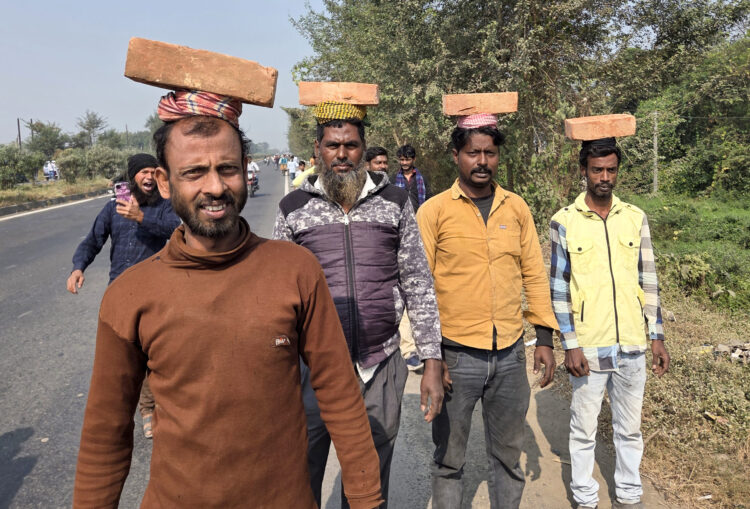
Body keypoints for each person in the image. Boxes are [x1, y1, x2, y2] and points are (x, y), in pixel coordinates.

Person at [73, 90, 383, 509]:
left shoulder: (295, 269)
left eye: (227, 169)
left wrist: (366, 498)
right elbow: (105, 434)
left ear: (244, 168)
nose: (215, 187)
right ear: (164, 182)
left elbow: (339, 393)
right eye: (194, 172)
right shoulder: (129, 295)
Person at [273, 91, 444, 508]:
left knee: (370, 482)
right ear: (317, 149)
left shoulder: (395, 203)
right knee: (302, 475)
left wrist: (432, 360)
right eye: (333, 145)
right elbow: (276, 296)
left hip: (379, 364)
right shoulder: (293, 209)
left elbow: (417, 282)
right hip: (312, 367)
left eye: (351, 145)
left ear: (363, 149)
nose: (342, 154)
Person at [416, 106, 558, 509]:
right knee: (449, 460)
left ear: (498, 156)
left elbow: (534, 274)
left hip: (510, 356)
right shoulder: (434, 212)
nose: (482, 161)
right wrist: (431, 358)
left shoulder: (516, 208)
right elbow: (420, 289)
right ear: (456, 155)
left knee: (508, 458)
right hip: (455, 357)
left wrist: (543, 338)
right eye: (473, 153)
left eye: (490, 153)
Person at [549, 135, 670, 509]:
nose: (604, 177)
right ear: (583, 170)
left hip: (632, 342)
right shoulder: (564, 221)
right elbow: (558, 289)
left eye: (611, 170)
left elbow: (648, 279)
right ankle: (585, 497)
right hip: (589, 345)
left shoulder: (634, 218)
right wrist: (569, 343)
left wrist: (657, 336)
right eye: (597, 170)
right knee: (584, 428)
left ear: (618, 171)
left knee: (629, 429)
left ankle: (629, 495)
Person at [66, 152, 181, 439]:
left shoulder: (165, 206)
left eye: (153, 172)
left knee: (151, 351)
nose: (149, 177)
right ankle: (119, 413)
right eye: (143, 172)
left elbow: (178, 230)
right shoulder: (112, 208)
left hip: (155, 291)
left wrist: (141, 217)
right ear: (132, 177)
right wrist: (78, 267)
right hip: (118, 290)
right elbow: (93, 240)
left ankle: (148, 409)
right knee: (121, 355)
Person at [365, 146, 422, 372]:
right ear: (367, 165)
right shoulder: (360, 192)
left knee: (409, 291)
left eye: (384, 162)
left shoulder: (396, 190)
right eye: (377, 163)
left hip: (406, 244)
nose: (382, 167)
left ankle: (409, 350)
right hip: (376, 255)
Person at [392, 144, 430, 213]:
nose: (404, 163)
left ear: (414, 159)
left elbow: (429, 200)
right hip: (399, 217)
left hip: (419, 216)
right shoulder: (393, 179)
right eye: (402, 160)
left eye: (407, 160)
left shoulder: (422, 179)